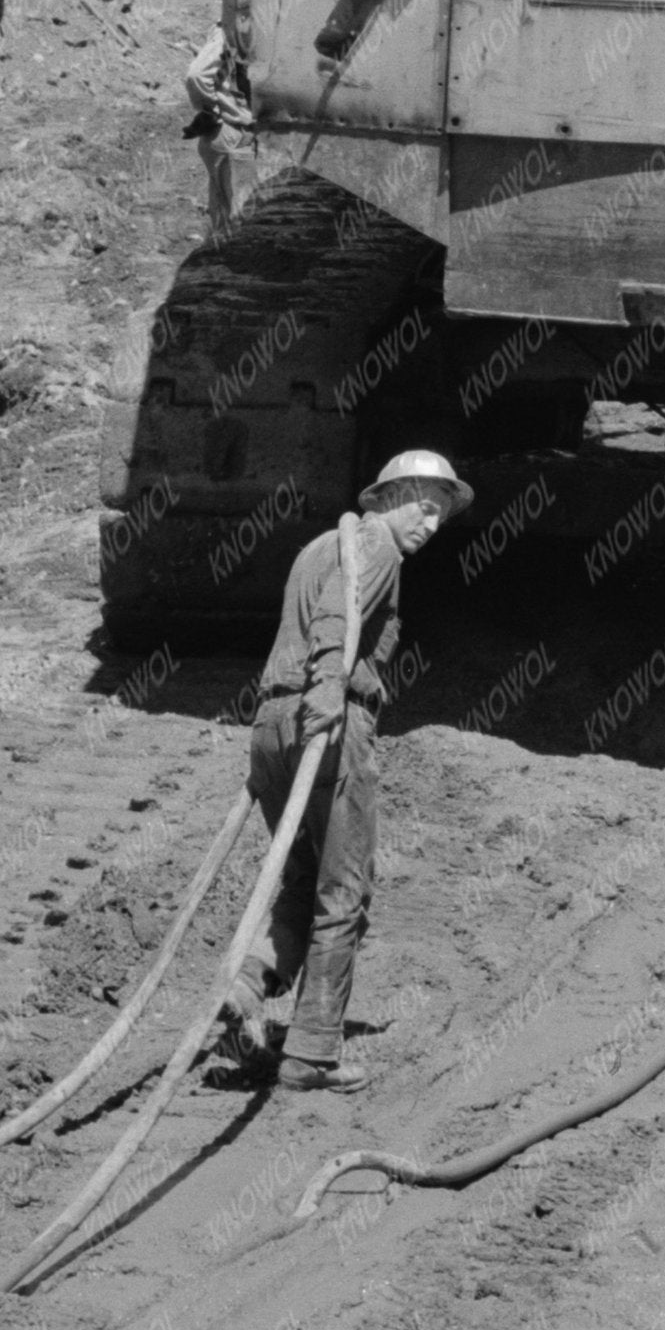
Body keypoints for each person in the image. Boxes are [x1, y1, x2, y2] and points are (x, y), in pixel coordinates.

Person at [213, 447, 473, 1089]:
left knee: (301, 880)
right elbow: (337, 621)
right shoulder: (375, 547)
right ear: (387, 497)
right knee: (343, 892)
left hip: (272, 726)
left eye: (440, 514)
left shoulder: (317, 547)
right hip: (329, 723)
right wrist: (330, 692)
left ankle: (245, 989)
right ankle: (312, 1054)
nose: (431, 524)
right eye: (424, 505)